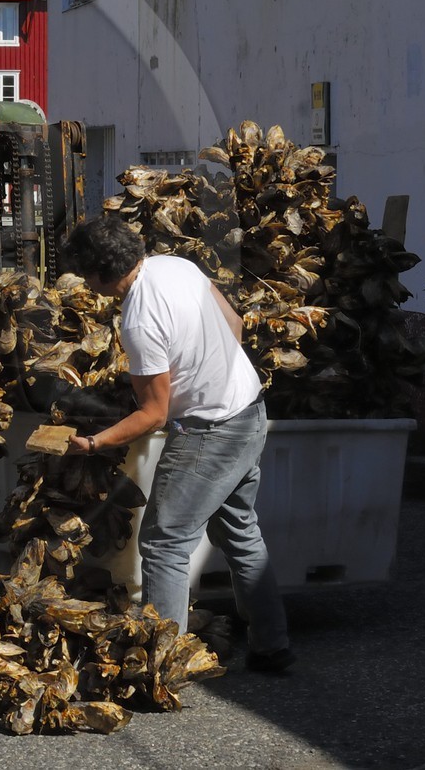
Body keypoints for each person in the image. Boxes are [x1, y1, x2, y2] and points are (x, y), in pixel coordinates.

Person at [60, 215, 294, 673]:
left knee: (165, 542)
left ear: (101, 273)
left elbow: (154, 414)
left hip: (212, 432)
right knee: (239, 533)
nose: (87, 285)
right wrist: (211, 375)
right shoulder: (177, 265)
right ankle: (273, 646)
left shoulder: (139, 320)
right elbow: (235, 324)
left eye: (87, 275)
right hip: (249, 410)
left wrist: (92, 444)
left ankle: (162, 669)